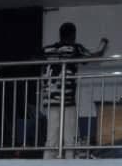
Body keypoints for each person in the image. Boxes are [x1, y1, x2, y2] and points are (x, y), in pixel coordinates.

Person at [42, 23, 108, 159]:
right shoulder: (74, 48)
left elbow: (33, 58)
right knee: (69, 135)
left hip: (50, 98)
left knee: (51, 135)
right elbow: (95, 55)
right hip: (67, 99)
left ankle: (47, 162)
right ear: (73, 35)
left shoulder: (47, 49)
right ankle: (69, 161)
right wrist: (104, 44)